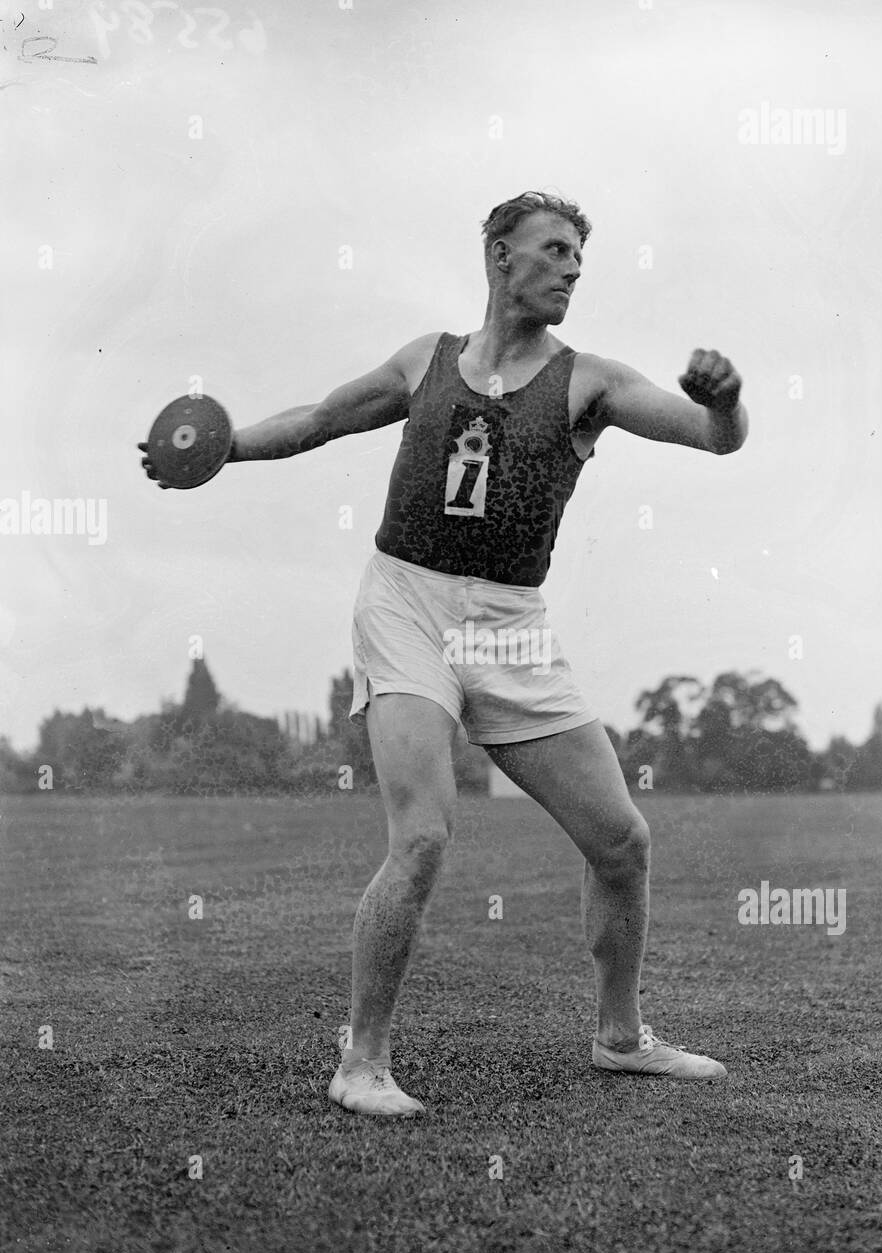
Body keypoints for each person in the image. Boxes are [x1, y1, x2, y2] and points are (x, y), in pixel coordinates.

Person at [208, 191, 747, 1117]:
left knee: (622, 842)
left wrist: (727, 399)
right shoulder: (427, 361)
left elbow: (714, 439)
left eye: (581, 255)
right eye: (556, 250)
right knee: (421, 834)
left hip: (511, 624)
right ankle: (361, 1063)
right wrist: (219, 448)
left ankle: (621, 1037)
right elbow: (317, 421)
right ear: (501, 256)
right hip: (406, 604)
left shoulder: (591, 383)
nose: (574, 268)